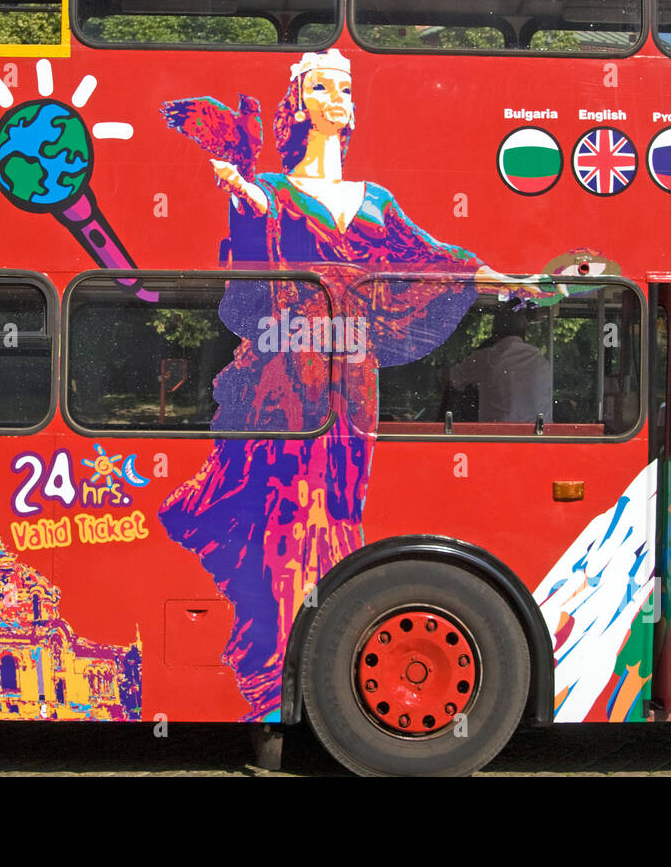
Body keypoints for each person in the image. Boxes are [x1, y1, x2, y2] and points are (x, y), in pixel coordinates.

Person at [158, 49, 518, 720]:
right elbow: (254, 231)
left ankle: (307, 658)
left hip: (351, 379)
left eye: (346, 88)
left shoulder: (377, 200)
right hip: (284, 372)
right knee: (290, 505)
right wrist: (240, 191)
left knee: (337, 504)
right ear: (297, 104)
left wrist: (509, 280)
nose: (339, 97)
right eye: (323, 86)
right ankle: (282, 667)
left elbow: (437, 259)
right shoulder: (273, 188)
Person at [448, 304, 552, 424]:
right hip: (540, 436)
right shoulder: (542, 361)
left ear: (494, 334)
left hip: (498, 436)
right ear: (524, 333)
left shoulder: (485, 358)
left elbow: (451, 379)